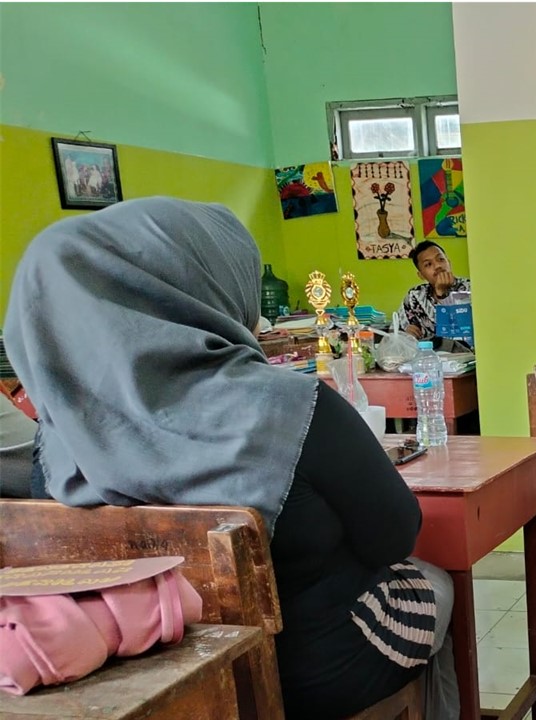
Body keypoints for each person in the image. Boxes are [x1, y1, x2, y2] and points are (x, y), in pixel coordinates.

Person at [3, 198, 458, 719]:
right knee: (436, 581)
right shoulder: (291, 405)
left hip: (166, 673)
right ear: (209, 285)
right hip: (316, 671)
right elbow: (394, 535)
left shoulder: (58, 442)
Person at [398, 240, 471, 348]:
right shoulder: (415, 296)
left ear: (449, 263)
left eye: (441, 259)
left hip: (470, 357)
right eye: (428, 264)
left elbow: (464, 331)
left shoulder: (470, 288)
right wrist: (406, 335)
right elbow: (396, 334)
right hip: (429, 359)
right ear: (421, 275)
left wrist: (442, 294)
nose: (437, 266)